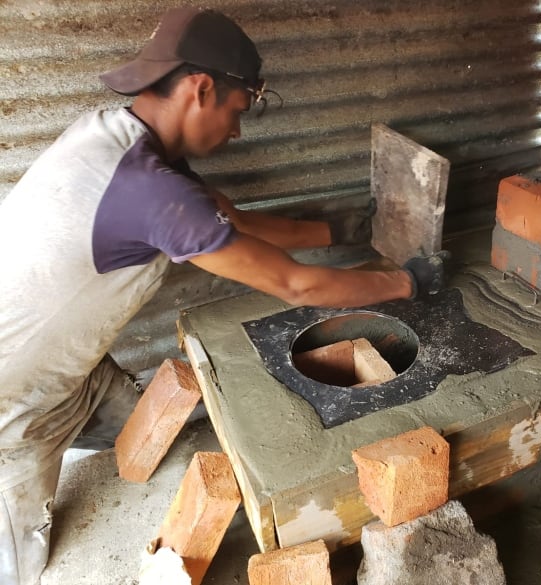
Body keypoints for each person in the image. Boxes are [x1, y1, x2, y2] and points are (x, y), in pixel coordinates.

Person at [0, 7, 447, 584]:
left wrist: (347, 228)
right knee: (25, 561)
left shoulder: (115, 139)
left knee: (153, 438)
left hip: (68, 373)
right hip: (15, 400)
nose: (236, 131)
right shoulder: (150, 192)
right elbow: (295, 283)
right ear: (200, 87)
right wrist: (404, 282)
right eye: (238, 110)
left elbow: (230, 219)